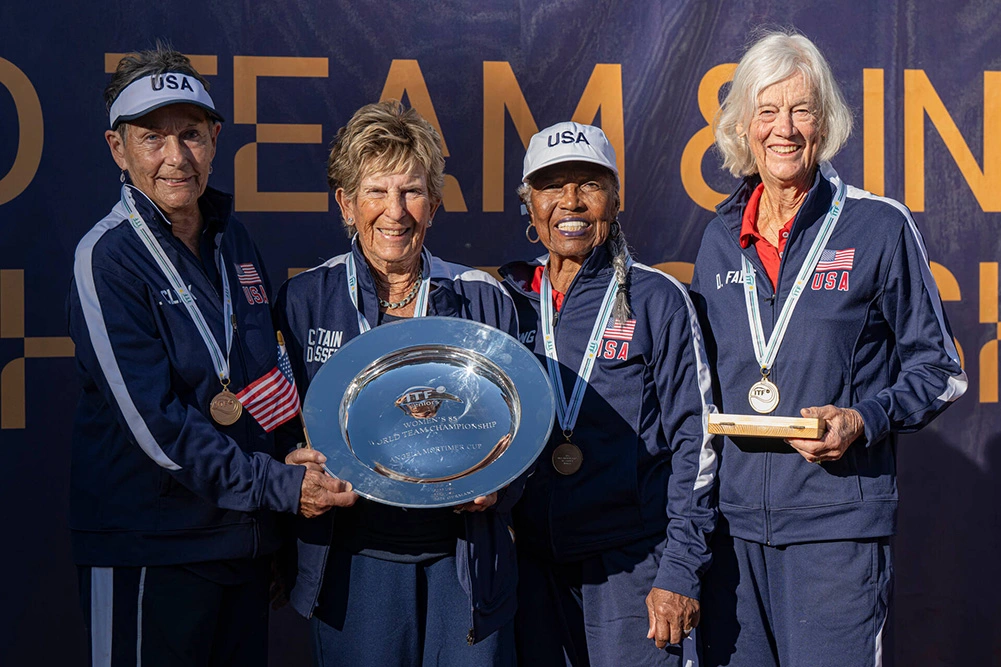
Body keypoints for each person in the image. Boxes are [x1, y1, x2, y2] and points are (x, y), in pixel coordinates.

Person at [68, 46, 355, 666]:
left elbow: (259, 380)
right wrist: (277, 487)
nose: (176, 157)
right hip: (153, 548)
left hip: (241, 545)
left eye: (191, 134)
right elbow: (156, 425)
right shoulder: (108, 257)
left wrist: (278, 503)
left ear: (216, 138)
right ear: (118, 149)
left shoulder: (235, 239)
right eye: (152, 138)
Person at [689, 30, 968, 667]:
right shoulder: (717, 238)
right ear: (742, 127)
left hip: (835, 529)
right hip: (733, 534)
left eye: (801, 110)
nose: (783, 129)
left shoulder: (878, 226)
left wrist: (864, 419)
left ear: (825, 123)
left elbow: (941, 369)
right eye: (766, 111)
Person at [275, 100, 521, 666]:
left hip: (463, 565)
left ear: (434, 203)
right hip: (354, 564)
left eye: (411, 191)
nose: (395, 212)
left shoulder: (482, 299)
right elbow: (280, 429)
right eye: (376, 192)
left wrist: (501, 485)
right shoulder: (306, 300)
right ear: (345, 203)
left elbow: (523, 427)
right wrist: (290, 467)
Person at [498, 122, 717, 666]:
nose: (570, 201)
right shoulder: (507, 303)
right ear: (530, 207)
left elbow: (702, 440)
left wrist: (680, 570)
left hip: (633, 567)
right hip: (532, 570)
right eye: (551, 186)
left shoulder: (658, 300)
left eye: (589, 184)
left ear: (615, 200)